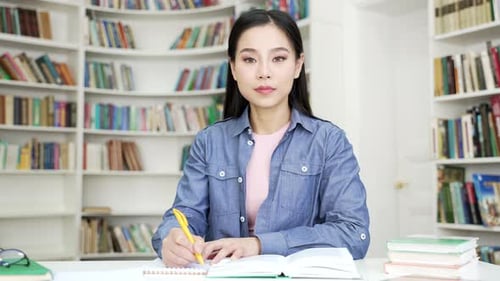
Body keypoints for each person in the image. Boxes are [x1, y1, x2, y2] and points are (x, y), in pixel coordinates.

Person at [152, 8, 370, 267]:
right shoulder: (209, 142)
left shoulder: (328, 142)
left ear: (298, 65)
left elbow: (354, 233)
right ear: (233, 68)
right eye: (249, 60)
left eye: (278, 58)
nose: (264, 72)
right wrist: (172, 237)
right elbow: (185, 214)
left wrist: (258, 245)